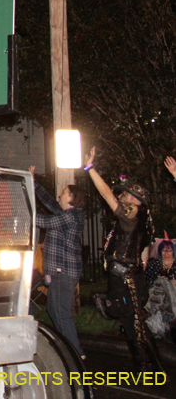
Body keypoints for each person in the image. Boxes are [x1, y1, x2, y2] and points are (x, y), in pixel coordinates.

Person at [85, 146, 162, 371]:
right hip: (127, 278)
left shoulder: (132, 215)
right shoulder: (139, 221)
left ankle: (151, 368)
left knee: (134, 324)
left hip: (127, 280)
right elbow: (144, 254)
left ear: (136, 199)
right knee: (130, 323)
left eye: (126, 194)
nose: (122, 196)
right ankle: (145, 365)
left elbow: (107, 195)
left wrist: (90, 169)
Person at [29, 166, 86, 359]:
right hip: (60, 272)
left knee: (60, 312)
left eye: (63, 193)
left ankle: (75, 354)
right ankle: (70, 350)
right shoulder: (67, 214)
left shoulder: (70, 217)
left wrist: (22, 213)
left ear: (71, 198)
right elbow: (50, 203)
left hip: (63, 272)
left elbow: (44, 221)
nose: (60, 195)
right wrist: (34, 182)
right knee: (54, 310)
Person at [143, 233, 176, 341]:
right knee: (159, 282)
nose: (166, 253)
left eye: (169, 250)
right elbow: (147, 281)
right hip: (158, 297)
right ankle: (154, 311)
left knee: (162, 281)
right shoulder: (154, 265)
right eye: (164, 250)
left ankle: (149, 310)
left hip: (173, 295)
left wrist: (170, 281)